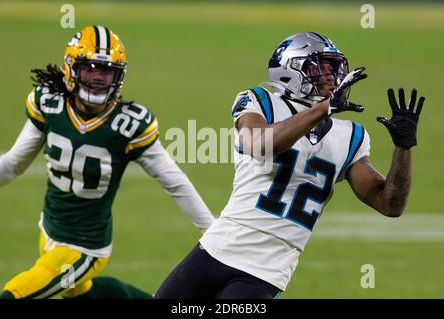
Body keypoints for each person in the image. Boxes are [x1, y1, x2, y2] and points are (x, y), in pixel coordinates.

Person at [154, 32, 425, 299]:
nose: (331, 76)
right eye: (320, 67)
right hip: (216, 248)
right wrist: (323, 109)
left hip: (265, 271)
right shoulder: (262, 101)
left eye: (334, 67)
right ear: (290, 69)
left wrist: (403, 148)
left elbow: (390, 204)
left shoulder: (350, 136)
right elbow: (259, 146)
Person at [0, 25, 214, 299]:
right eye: (90, 68)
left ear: (118, 76)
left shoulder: (126, 124)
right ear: (71, 68)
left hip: (86, 247)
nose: (98, 78)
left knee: (14, 294)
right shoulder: (50, 104)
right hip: (49, 228)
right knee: (81, 294)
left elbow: (174, 181)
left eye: (106, 71)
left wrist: (214, 232)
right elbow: (13, 164)